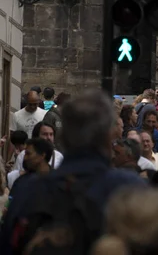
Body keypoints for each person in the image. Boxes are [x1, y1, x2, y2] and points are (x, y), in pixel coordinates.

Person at [0, 90, 145, 254]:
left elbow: (8, 245)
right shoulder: (130, 190)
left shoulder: (27, 189)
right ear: (108, 137)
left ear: (63, 137)